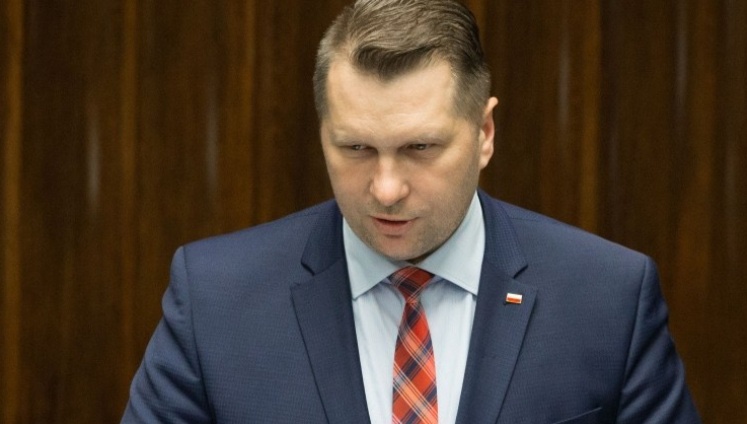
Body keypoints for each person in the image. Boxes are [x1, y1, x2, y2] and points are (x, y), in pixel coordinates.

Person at [122, 0, 701, 423]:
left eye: (420, 148)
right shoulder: (216, 301)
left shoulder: (608, 298)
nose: (387, 188)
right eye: (356, 148)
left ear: (484, 133)